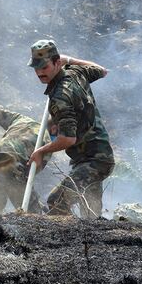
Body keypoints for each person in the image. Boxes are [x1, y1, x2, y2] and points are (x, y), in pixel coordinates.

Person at [26, 40, 114, 219]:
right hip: (97, 157)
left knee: (55, 202)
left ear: (57, 63)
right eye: (36, 67)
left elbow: (68, 140)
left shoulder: (60, 96)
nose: (39, 72)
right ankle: (89, 243)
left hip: (93, 162)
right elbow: (102, 71)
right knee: (90, 215)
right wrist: (71, 60)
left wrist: (41, 151)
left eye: (44, 67)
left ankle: (62, 244)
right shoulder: (76, 71)